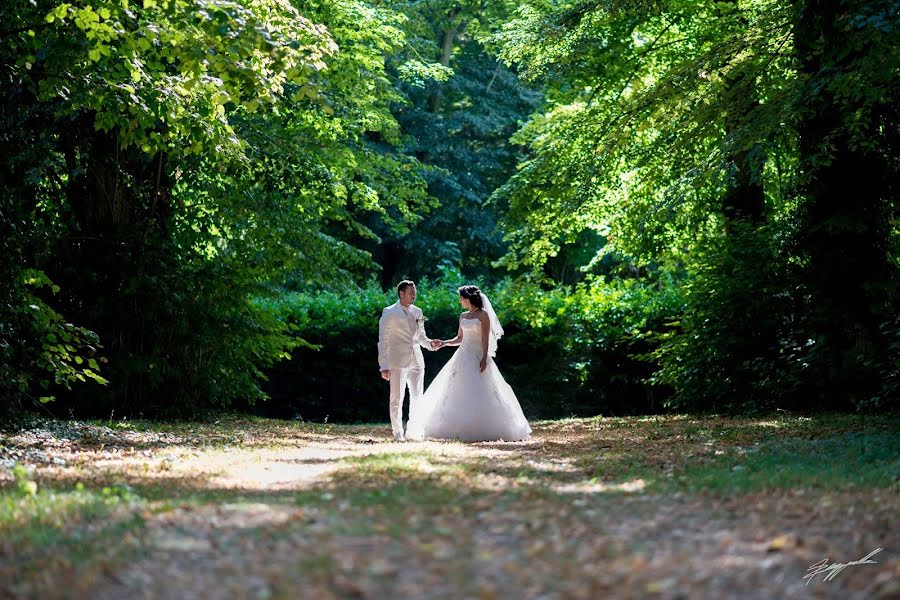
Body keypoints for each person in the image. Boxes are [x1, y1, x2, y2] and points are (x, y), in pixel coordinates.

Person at [406, 285, 532, 442]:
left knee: (483, 389)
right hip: (462, 355)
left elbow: (485, 339)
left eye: (461, 298)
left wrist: (484, 357)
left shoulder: (483, 315)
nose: (460, 301)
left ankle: (485, 426)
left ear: (467, 298)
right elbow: (459, 339)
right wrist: (444, 343)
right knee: (455, 389)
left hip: (477, 355)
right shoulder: (463, 316)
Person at [377, 280, 436, 441]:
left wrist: (431, 344)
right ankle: (398, 433)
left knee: (418, 396)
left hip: (417, 359)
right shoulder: (389, 312)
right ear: (401, 293)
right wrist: (384, 365)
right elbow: (383, 340)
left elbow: (421, 337)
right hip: (397, 360)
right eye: (411, 292)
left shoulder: (418, 312)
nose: (414, 295)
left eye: (415, 292)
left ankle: (413, 430)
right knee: (397, 398)